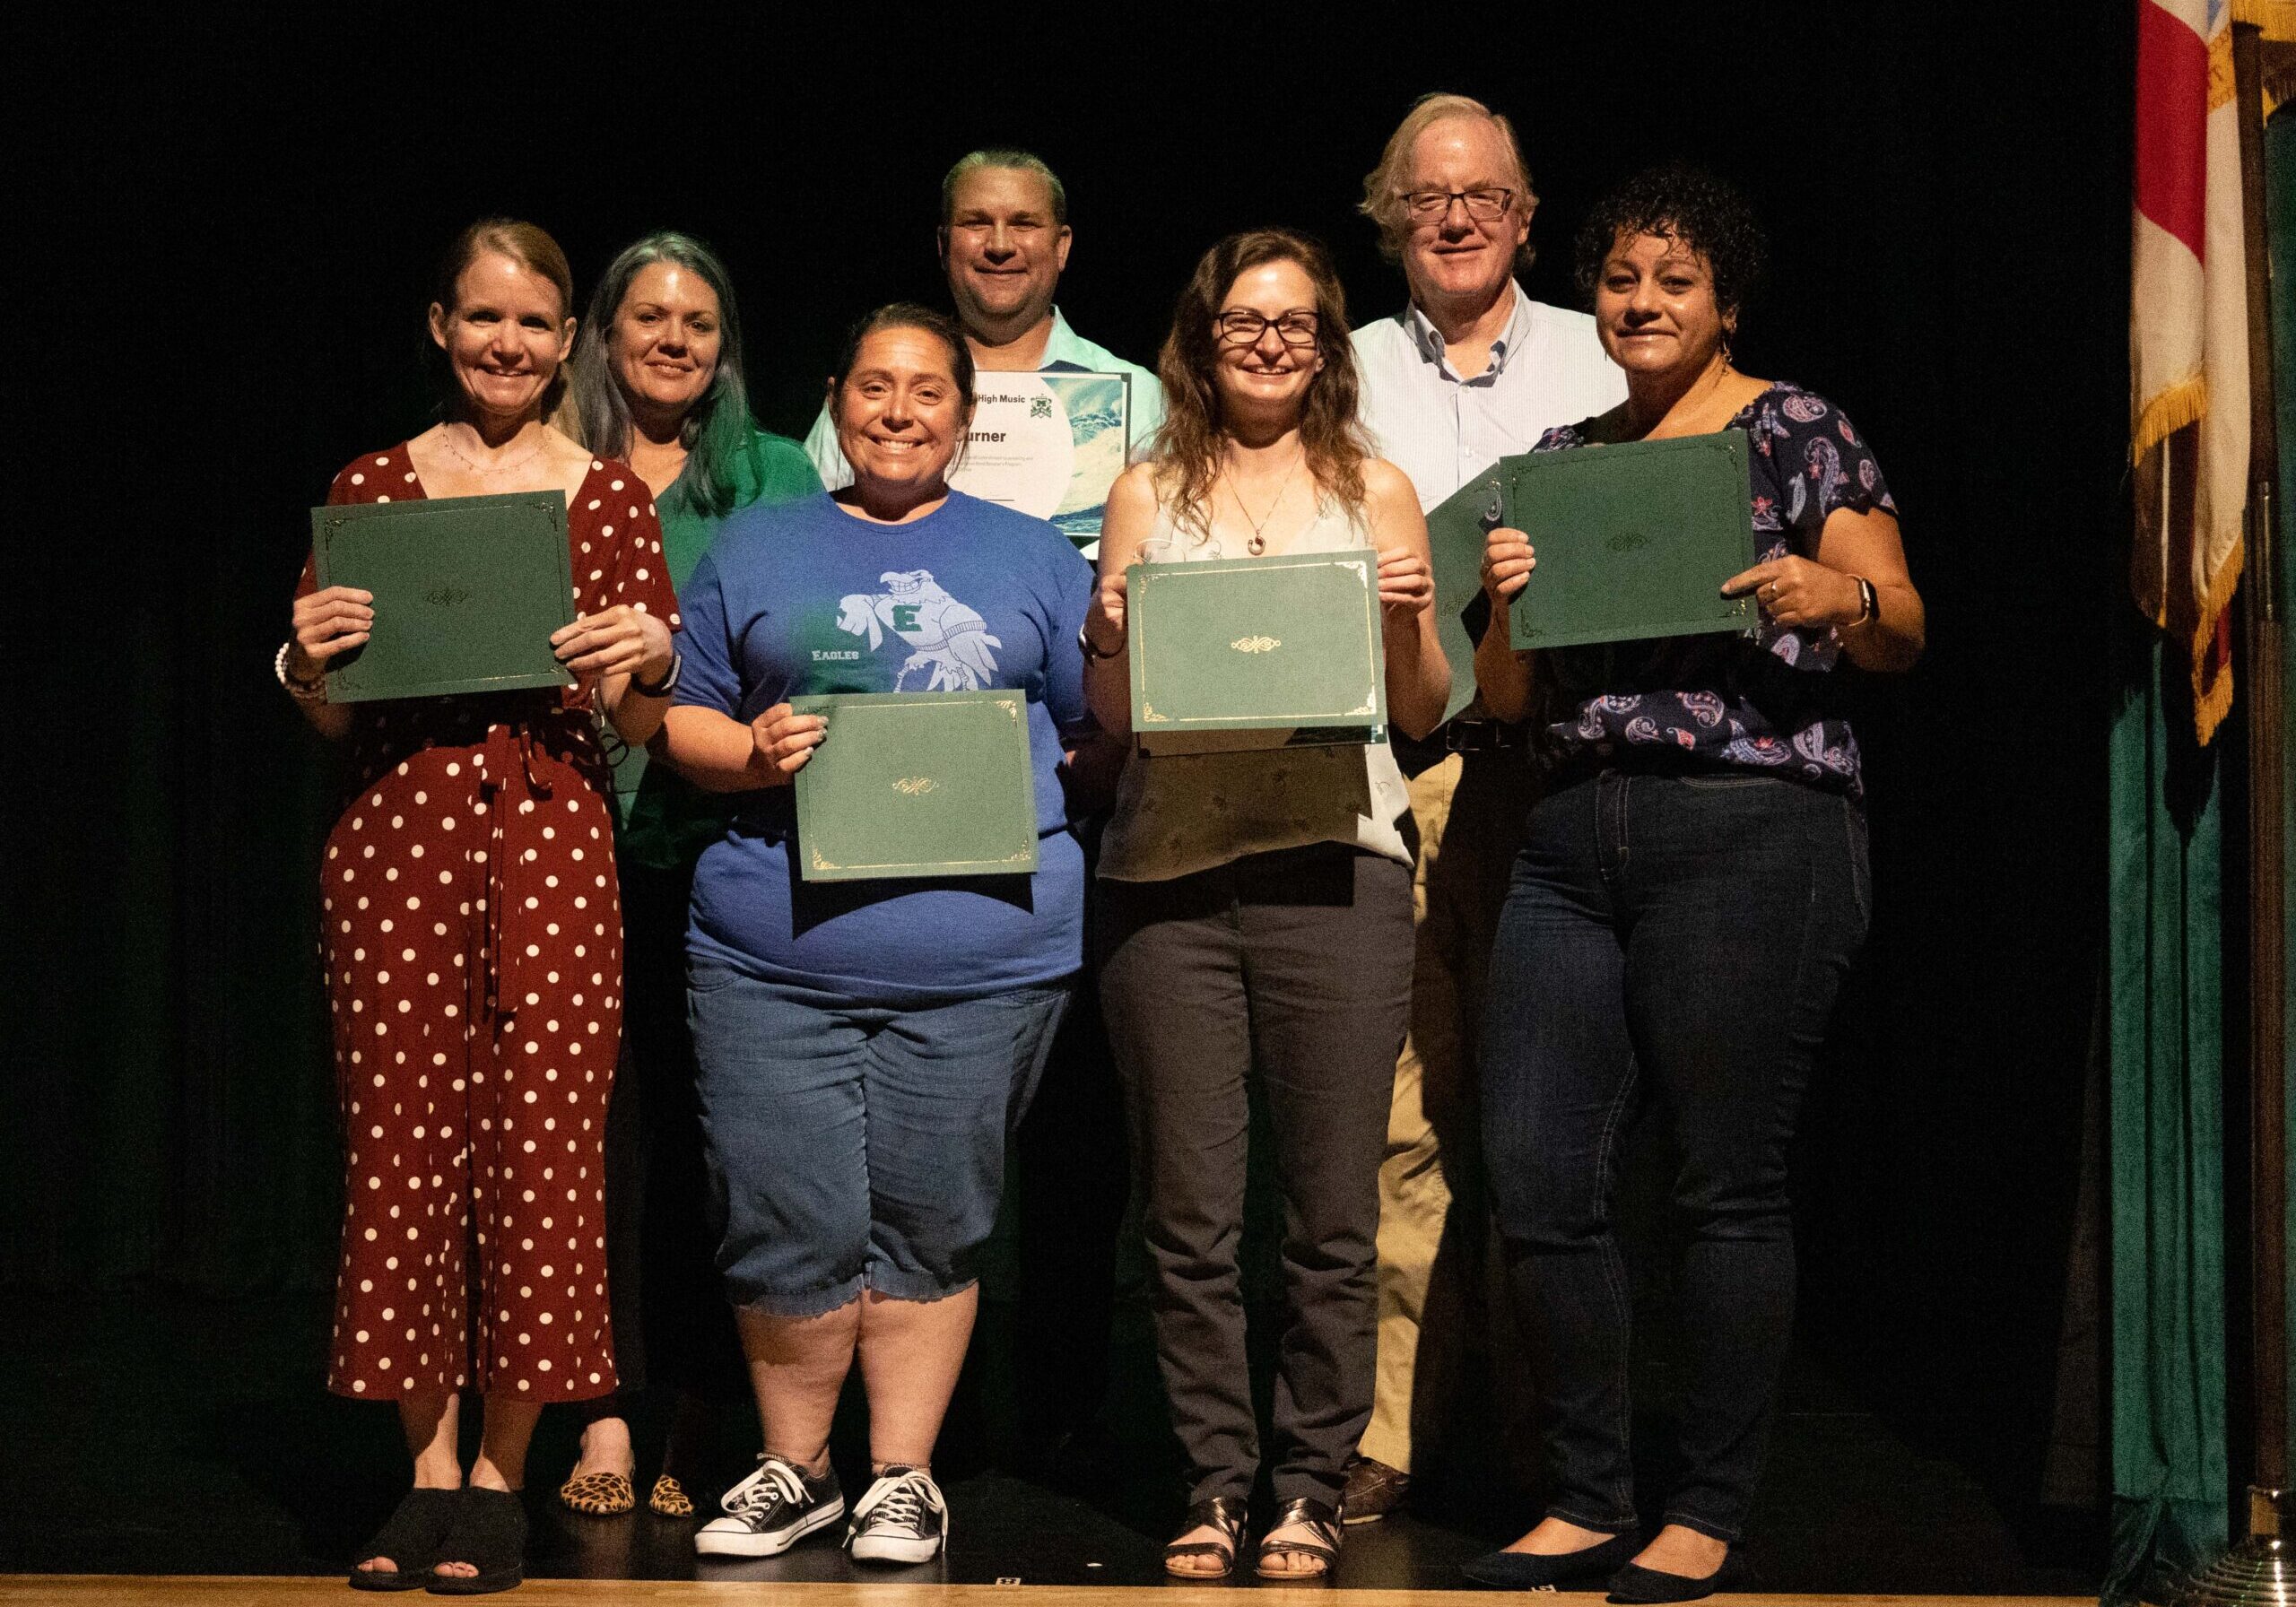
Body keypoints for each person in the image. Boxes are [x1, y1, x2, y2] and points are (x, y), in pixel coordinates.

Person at [1465, 165, 1923, 1602]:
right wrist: (1511, 596)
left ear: (1725, 302)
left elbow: (1902, 623)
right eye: (1619, 279)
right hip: (1573, 826)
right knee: (1536, 1170)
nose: (1642, 302)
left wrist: (1829, 595)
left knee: (1725, 1183)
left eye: (1674, 280)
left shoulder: (1794, 429)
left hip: (1752, 826)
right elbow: (1504, 693)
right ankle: (1588, 1495)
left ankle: (1708, 1506)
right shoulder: (1562, 451)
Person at [282, 219, 680, 1594]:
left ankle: (505, 1475)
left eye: (533, 323)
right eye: (482, 318)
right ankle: (426, 1476)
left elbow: (635, 716)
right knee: (402, 1145)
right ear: (442, 328)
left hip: (555, 840)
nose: (507, 344)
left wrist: (649, 652)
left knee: (545, 1155)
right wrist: (302, 658)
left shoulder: (608, 497)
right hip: (397, 841)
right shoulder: (374, 486)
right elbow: (333, 716)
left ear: (567, 340)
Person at [660, 303, 1091, 1567]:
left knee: (931, 1212)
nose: (899, 412)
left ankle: (901, 1476)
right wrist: (750, 752)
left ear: (965, 414)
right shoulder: (759, 541)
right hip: (768, 952)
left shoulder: (1030, 554)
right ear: (836, 402)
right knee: (780, 1210)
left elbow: (1092, 725)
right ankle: (793, 1470)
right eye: (874, 388)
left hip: (983, 954)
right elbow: (682, 718)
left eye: (927, 392)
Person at [1083, 230, 1449, 1580]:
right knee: (1186, 1220)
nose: (1270, 340)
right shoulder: (1145, 491)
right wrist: (1108, 637)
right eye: (1246, 318)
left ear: (1327, 343)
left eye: (1296, 321)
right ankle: (1215, 1481)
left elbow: (1421, 714)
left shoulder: (1379, 489)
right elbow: (1113, 717)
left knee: (1330, 1214)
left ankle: (1308, 1481)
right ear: (1203, 334)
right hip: (1168, 880)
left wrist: (1408, 620)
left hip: (1337, 872)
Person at [1343, 91, 1625, 1524]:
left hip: (1577, 774)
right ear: (1388, 215)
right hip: (1401, 777)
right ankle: (1390, 1432)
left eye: (1486, 198)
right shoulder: (1329, 373)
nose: (1455, 218)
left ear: (1524, 213)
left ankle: (1558, 1444)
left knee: (1559, 1126)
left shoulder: (1605, 350)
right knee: (1404, 1116)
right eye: (1426, 197)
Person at [552, 232, 822, 1523]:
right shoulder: (550, 468)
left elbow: (818, 628)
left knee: (720, 1142)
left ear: (726, 346)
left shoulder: (773, 471)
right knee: (589, 1143)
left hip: (728, 843)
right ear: (601, 334)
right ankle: (598, 1406)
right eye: (648, 316)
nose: (672, 339)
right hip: (566, 846)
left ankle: (708, 1406)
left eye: (699, 322)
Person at [801, 148, 1164, 487]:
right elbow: (813, 529)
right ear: (943, 246)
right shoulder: (870, 402)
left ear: (1061, 247)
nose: (1000, 246)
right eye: (976, 223)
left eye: (1024, 224)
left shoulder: (1140, 398)